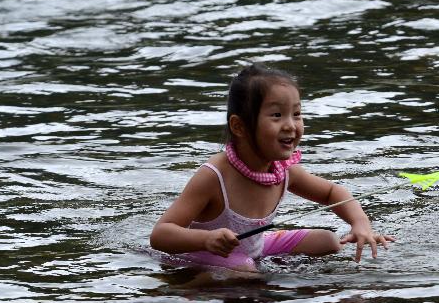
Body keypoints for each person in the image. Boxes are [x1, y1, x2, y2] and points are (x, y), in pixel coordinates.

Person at [150, 63, 394, 272]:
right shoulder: (215, 176)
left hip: (255, 249)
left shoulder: (283, 170)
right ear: (239, 127)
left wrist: (361, 224)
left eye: (296, 114)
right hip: (200, 254)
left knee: (328, 242)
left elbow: (334, 193)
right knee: (244, 269)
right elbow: (161, 234)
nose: (290, 125)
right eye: (277, 115)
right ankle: (196, 285)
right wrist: (206, 239)